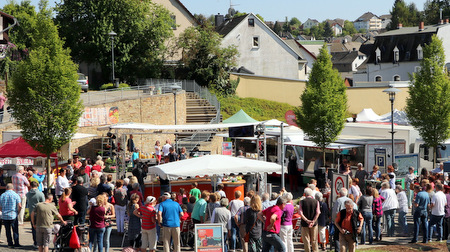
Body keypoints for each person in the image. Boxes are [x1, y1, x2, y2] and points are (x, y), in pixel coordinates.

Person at [0, 183, 22, 248]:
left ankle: (10, 243)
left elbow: (0, 206)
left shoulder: (2, 195)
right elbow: (20, 205)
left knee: (7, 230)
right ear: (13, 188)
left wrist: (2, 211)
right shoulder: (15, 195)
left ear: (6, 188)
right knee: (15, 230)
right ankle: (16, 243)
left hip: (5, 215)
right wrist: (18, 212)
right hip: (13, 214)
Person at [299, 188, 320, 252]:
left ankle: (307, 250)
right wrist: (313, 221)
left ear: (305, 194)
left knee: (306, 240)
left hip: (304, 224)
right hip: (314, 223)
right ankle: (315, 250)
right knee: (314, 240)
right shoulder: (316, 201)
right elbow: (318, 212)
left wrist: (306, 220)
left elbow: (300, 213)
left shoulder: (302, 202)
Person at [27, 181, 45, 248]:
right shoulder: (40, 194)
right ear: (37, 186)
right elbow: (43, 203)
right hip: (39, 212)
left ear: (31, 186)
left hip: (31, 212)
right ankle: (41, 242)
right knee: (41, 228)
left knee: (33, 228)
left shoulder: (28, 194)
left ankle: (35, 242)